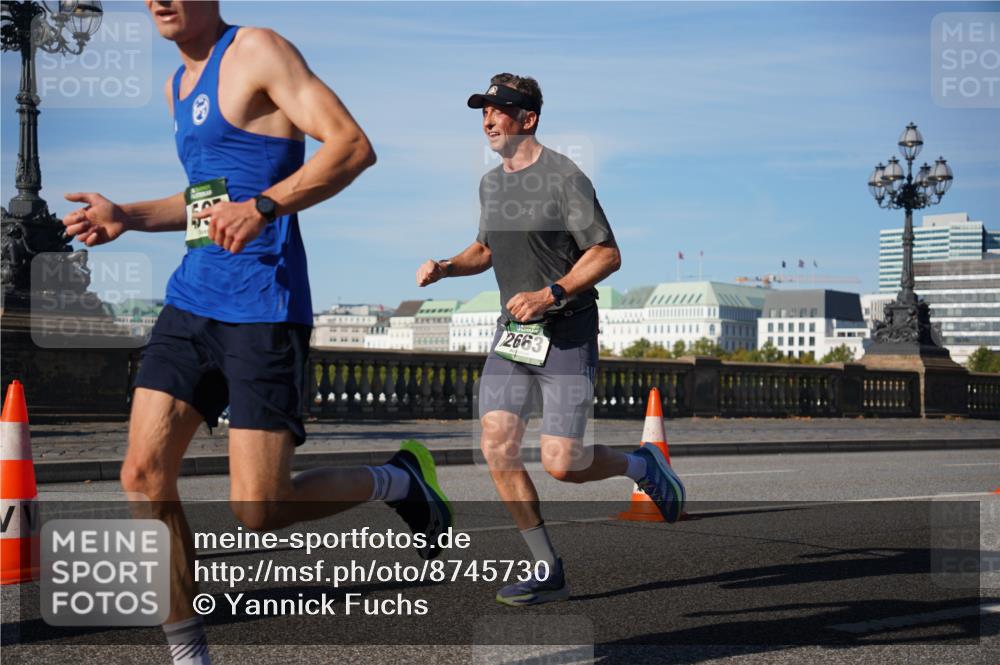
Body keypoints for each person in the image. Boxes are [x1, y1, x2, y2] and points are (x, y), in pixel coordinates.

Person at [61, 3, 452, 663]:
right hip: (191, 300)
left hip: (263, 307)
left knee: (259, 507)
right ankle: (190, 655)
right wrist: (126, 213)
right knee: (142, 472)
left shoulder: (258, 51)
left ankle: (401, 480)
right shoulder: (177, 88)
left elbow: (353, 146)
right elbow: (206, 202)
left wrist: (266, 203)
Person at [416, 73, 685, 607]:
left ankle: (642, 465)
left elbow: (607, 254)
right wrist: (447, 267)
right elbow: (484, 250)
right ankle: (545, 568)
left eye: (498, 110)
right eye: (483, 111)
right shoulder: (491, 184)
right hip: (513, 336)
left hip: (566, 333)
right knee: (496, 445)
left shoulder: (565, 177)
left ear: (528, 118)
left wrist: (550, 293)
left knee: (564, 463)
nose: (488, 120)